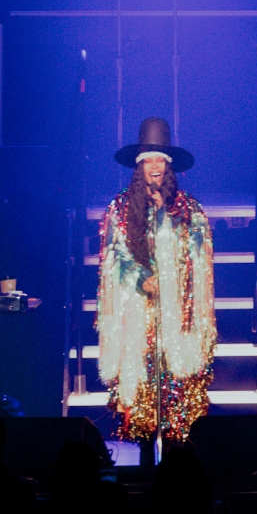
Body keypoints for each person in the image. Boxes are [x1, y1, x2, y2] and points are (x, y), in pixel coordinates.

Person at [98, 117, 215, 443]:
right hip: (138, 310)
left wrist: (174, 271)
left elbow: (198, 252)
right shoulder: (121, 207)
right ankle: (146, 451)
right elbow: (114, 252)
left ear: (168, 165)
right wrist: (140, 278)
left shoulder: (188, 208)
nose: (154, 167)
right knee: (142, 390)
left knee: (176, 391)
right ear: (139, 166)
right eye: (148, 160)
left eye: (159, 160)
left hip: (176, 310)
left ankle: (177, 453)